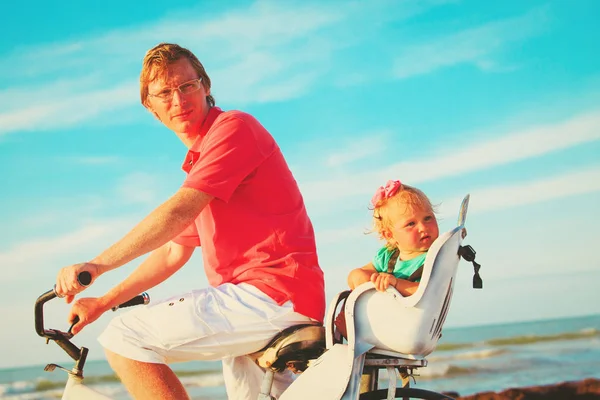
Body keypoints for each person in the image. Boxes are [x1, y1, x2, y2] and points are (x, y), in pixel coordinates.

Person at [54, 42, 325, 400]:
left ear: (206, 86)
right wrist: (103, 301)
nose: (178, 100)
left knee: (125, 337)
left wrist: (96, 265)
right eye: (164, 93)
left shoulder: (234, 129)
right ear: (150, 107)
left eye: (187, 86)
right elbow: (172, 252)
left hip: (271, 296)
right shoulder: (202, 160)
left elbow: (179, 210)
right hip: (259, 301)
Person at [335, 179, 439, 337]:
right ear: (389, 235)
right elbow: (359, 274)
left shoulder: (432, 258)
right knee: (358, 275)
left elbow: (430, 293)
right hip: (383, 315)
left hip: (408, 322)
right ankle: (360, 326)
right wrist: (366, 278)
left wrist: (395, 283)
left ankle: (363, 332)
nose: (423, 227)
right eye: (411, 224)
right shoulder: (388, 255)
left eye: (428, 218)